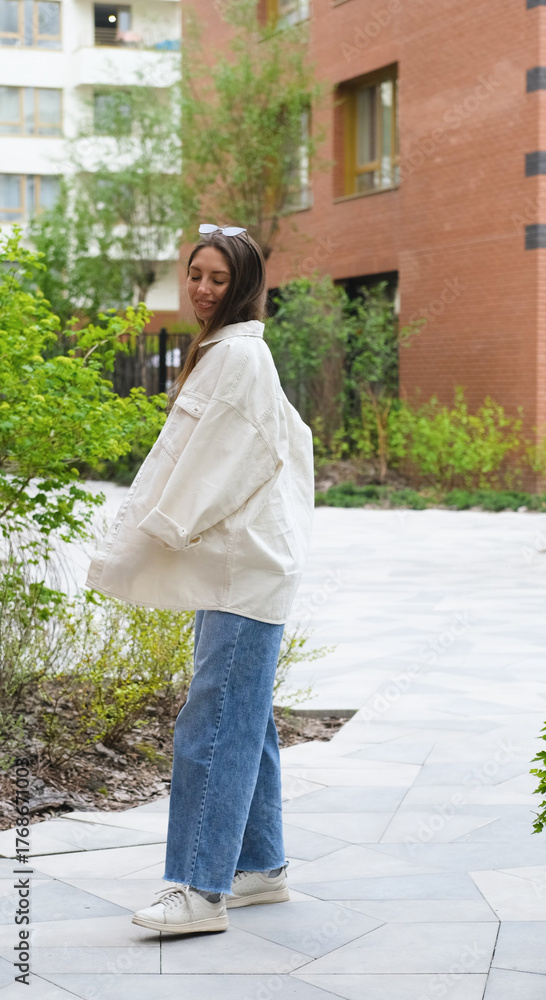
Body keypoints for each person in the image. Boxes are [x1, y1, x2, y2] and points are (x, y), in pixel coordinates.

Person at [86, 224, 315, 935]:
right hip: (236, 565)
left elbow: (225, 460)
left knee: (214, 722)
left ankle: (197, 888)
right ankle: (259, 868)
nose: (203, 289)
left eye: (219, 278)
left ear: (244, 285)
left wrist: (160, 529)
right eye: (196, 275)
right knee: (243, 716)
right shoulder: (228, 352)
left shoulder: (239, 355)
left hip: (242, 568)